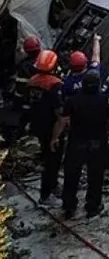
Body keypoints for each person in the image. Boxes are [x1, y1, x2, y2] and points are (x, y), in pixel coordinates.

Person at [52, 70, 109, 219]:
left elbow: (62, 121)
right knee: (95, 177)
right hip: (98, 143)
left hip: (76, 142)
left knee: (71, 175)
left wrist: (55, 138)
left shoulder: (72, 100)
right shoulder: (105, 100)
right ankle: (92, 207)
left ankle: (69, 206)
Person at [27, 50, 64, 207]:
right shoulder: (55, 85)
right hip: (51, 127)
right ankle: (45, 195)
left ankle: (53, 185)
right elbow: (60, 113)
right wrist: (56, 136)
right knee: (52, 162)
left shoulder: (32, 81)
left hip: (38, 126)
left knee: (48, 157)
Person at [61, 35, 103, 102]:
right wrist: (96, 40)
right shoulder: (93, 71)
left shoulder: (67, 83)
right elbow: (96, 55)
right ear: (85, 64)